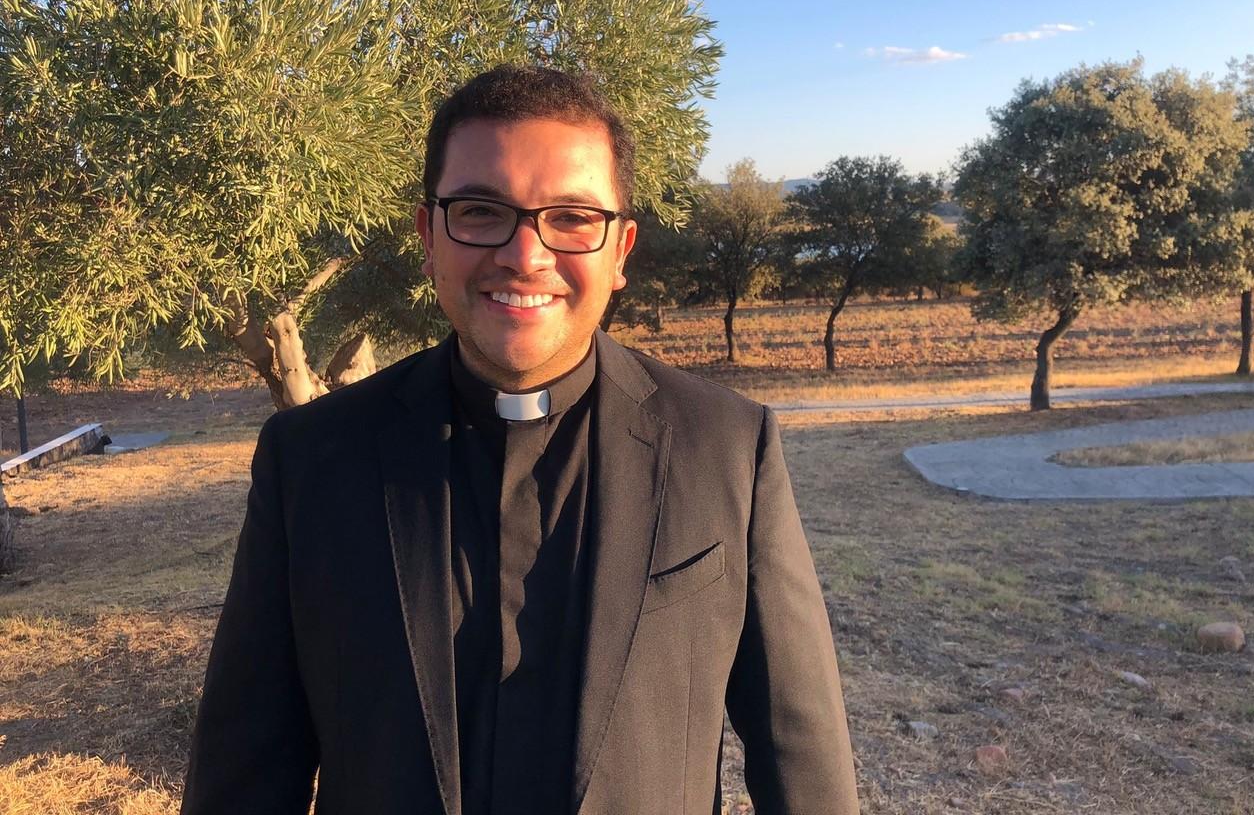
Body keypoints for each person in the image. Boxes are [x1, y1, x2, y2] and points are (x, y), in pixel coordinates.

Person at [180, 65, 859, 815]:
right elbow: (244, 771)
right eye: (480, 210)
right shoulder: (309, 459)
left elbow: (802, 760)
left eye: (571, 217)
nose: (525, 255)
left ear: (621, 250)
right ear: (429, 236)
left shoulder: (728, 447)